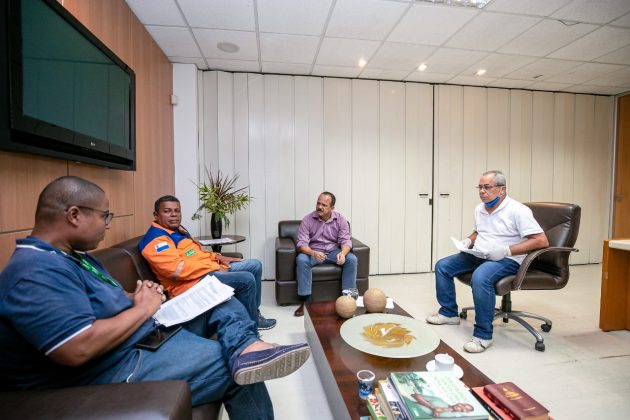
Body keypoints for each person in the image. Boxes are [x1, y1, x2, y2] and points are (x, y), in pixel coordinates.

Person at [0, 176, 309, 418]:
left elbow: (110, 298)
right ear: (74, 215)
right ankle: (242, 352)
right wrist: (142, 309)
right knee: (232, 367)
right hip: (115, 365)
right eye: (105, 215)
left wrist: (140, 295)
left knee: (222, 299)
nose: (108, 224)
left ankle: (246, 345)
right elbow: (76, 348)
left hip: (138, 336)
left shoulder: (76, 258)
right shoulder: (35, 270)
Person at [426, 170, 548, 353]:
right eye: (480, 187)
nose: (482, 191)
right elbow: (479, 232)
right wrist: (468, 241)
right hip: (480, 254)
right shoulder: (480, 208)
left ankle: (483, 335)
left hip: (507, 258)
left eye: (487, 187)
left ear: (502, 189)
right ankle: (449, 313)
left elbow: (541, 241)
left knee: (480, 277)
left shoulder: (518, 210)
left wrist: (507, 250)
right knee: (442, 266)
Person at [139, 195, 276, 330]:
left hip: (204, 272)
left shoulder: (179, 230)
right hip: (189, 284)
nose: (174, 214)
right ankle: (251, 325)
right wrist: (214, 266)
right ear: (156, 215)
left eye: (177, 210)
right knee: (246, 279)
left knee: (254, 265)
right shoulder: (157, 240)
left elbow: (196, 253)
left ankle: (254, 313)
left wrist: (217, 257)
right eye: (167, 211)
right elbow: (176, 270)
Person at [293, 192, 357, 317]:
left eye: (324, 205)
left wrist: (343, 253)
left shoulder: (341, 219)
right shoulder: (307, 220)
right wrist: (313, 253)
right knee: (301, 259)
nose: (319, 207)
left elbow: (346, 241)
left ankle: (349, 300)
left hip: (333, 252)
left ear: (332, 208)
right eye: (318, 203)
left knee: (352, 259)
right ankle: (306, 302)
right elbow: (301, 244)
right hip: (314, 252)